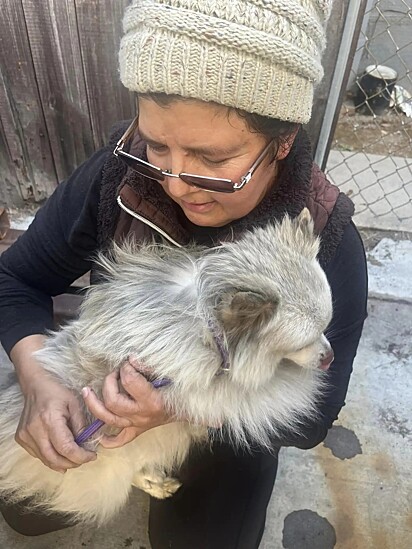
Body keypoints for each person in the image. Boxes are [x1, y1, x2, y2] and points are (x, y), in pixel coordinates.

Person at [0, 0, 368, 546]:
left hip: (229, 434)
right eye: (157, 145)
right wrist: (39, 382)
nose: (175, 183)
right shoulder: (117, 176)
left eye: (212, 160)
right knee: (27, 509)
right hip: (103, 396)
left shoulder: (328, 239)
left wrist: (178, 409)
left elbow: (314, 418)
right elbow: (15, 282)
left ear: (282, 140)